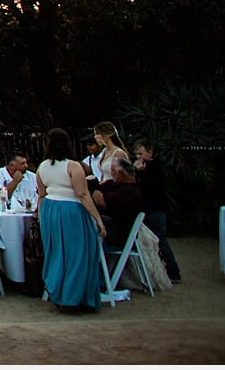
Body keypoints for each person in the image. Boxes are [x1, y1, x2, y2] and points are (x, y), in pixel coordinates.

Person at [36, 127, 106, 313]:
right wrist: (97, 218)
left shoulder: (42, 167)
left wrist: (41, 216)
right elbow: (83, 194)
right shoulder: (73, 166)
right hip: (71, 211)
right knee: (79, 253)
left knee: (58, 253)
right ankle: (74, 297)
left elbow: (41, 195)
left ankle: (60, 293)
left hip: (50, 210)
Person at [133, 137, 181, 281]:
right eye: (137, 154)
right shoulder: (144, 168)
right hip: (147, 207)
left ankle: (173, 270)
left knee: (159, 238)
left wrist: (139, 172)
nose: (138, 157)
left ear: (150, 153)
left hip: (156, 207)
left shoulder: (156, 167)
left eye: (141, 154)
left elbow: (152, 186)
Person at [91, 156, 144, 251]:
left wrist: (93, 186)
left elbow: (101, 201)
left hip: (117, 237)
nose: (111, 173)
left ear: (121, 173)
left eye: (112, 171)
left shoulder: (129, 192)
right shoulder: (116, 185)